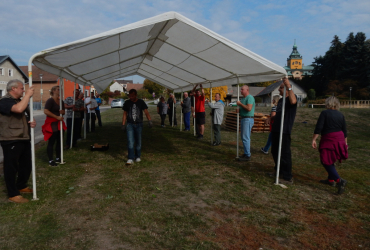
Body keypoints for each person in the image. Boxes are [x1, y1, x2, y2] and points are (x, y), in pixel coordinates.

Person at [0, 80, 36, 203]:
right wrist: (27, 96)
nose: (24, 90)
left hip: (23, 137)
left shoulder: (19, 101)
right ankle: (12, 193)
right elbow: (19, 109)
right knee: (11, 167)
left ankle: (21, 185)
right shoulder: (4, 101)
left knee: (26, 164)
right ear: (13, 89)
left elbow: (24, 115)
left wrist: (31, 122)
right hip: (10, 139)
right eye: (22, 88)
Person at [312, 96, 348, 194]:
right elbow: (344, 130)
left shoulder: (324, 113)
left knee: (325, 160)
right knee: (331, 158)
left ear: (328, 103)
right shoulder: (341, 115)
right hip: (340, 138)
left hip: (329, 138)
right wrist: (345, 143)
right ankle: (330, 180)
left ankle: (339, 180)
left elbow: (319, 127)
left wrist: (314, 139)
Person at [268, 77, 297, 183]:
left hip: (284, 131)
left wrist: (288, 86)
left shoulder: (291, 100)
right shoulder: (280, 101)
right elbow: (279, 114)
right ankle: (278, 170)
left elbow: (293, 101)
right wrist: (271, 118)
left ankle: (288, 177)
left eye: (280, 88)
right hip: (276, 129)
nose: (279, 90)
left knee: (284, 154)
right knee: (274, 151)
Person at [122, 89, 152, 165]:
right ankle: (130, 158)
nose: (131, 97)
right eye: (129, 96)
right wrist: (123, 124)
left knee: (138, 141)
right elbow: (125, 114)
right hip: (130, 124)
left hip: (139, 124)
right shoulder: (127, 103)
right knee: (130, 141)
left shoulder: (141, 102)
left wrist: (149, 120)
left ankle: (137, 156)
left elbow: (146, 111)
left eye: (132, 96)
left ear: (136, 95)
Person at [42, 85, 66, 167]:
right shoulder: (50, 100)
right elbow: (46, 111)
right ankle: (50, 160)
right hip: (52, 123)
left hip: (59, 123)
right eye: (58, 90)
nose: (60, 91)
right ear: (53, 91)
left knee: (60, 141)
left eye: (60, 90)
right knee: (52, 142)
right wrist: (56, 117)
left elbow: (63, 112)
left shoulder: (61, 101)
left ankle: (58, 157)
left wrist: (62, 112)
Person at [237, 85, 255, 161]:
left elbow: (249, 108)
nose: (240, 91)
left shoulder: (249, 98)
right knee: (244, 137)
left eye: (242, 89)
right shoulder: (243, 99)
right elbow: (244, 108)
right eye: (241, 89)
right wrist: (239, 110)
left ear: (247, 90)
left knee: (246, 138)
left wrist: (240, 104)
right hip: (244, 119)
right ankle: (246, 153)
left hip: (248, 119)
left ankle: (247, 155)